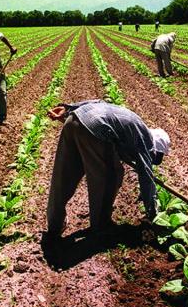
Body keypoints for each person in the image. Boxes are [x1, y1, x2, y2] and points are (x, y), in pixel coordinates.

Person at [44, 100, 170, 239]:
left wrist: (68, 110)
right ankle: (101, 225)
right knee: (111, 176)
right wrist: (153, 213)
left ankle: (55, 224)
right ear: (155, 147)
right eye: (156, 156)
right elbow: (146, 175)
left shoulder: (133, 124)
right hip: (95, 129)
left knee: (64, 175)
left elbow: (99, 102)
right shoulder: (145, 139)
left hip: (73, 120)